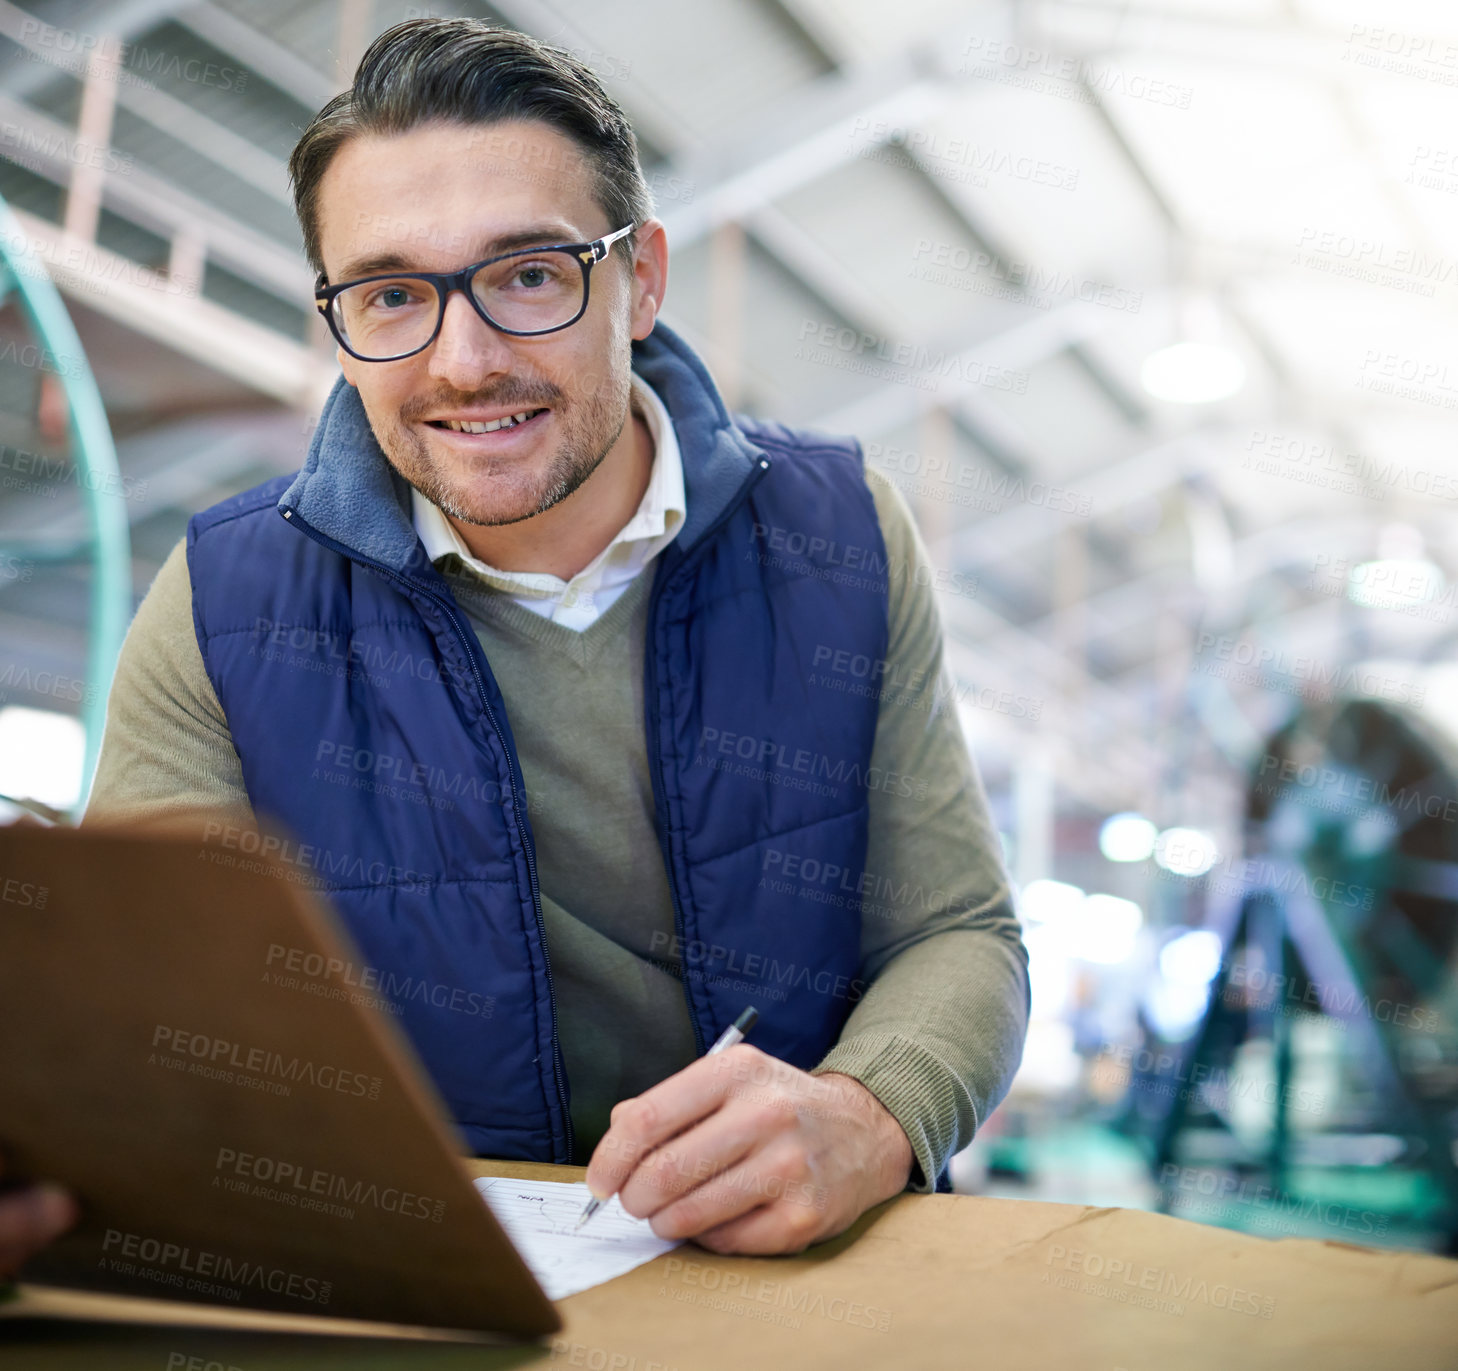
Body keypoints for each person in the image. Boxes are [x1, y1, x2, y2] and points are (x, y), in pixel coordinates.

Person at [2, 17, 1027, 1273]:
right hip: (418, 1285)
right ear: (335, 320)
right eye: (389, 294)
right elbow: (160, 1013)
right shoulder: (226, 601)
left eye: (530, 274)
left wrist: (874, 1113)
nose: (464, 362)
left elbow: (958, 929)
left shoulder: (840, 539)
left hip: (783, 1282)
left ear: (640, 278)